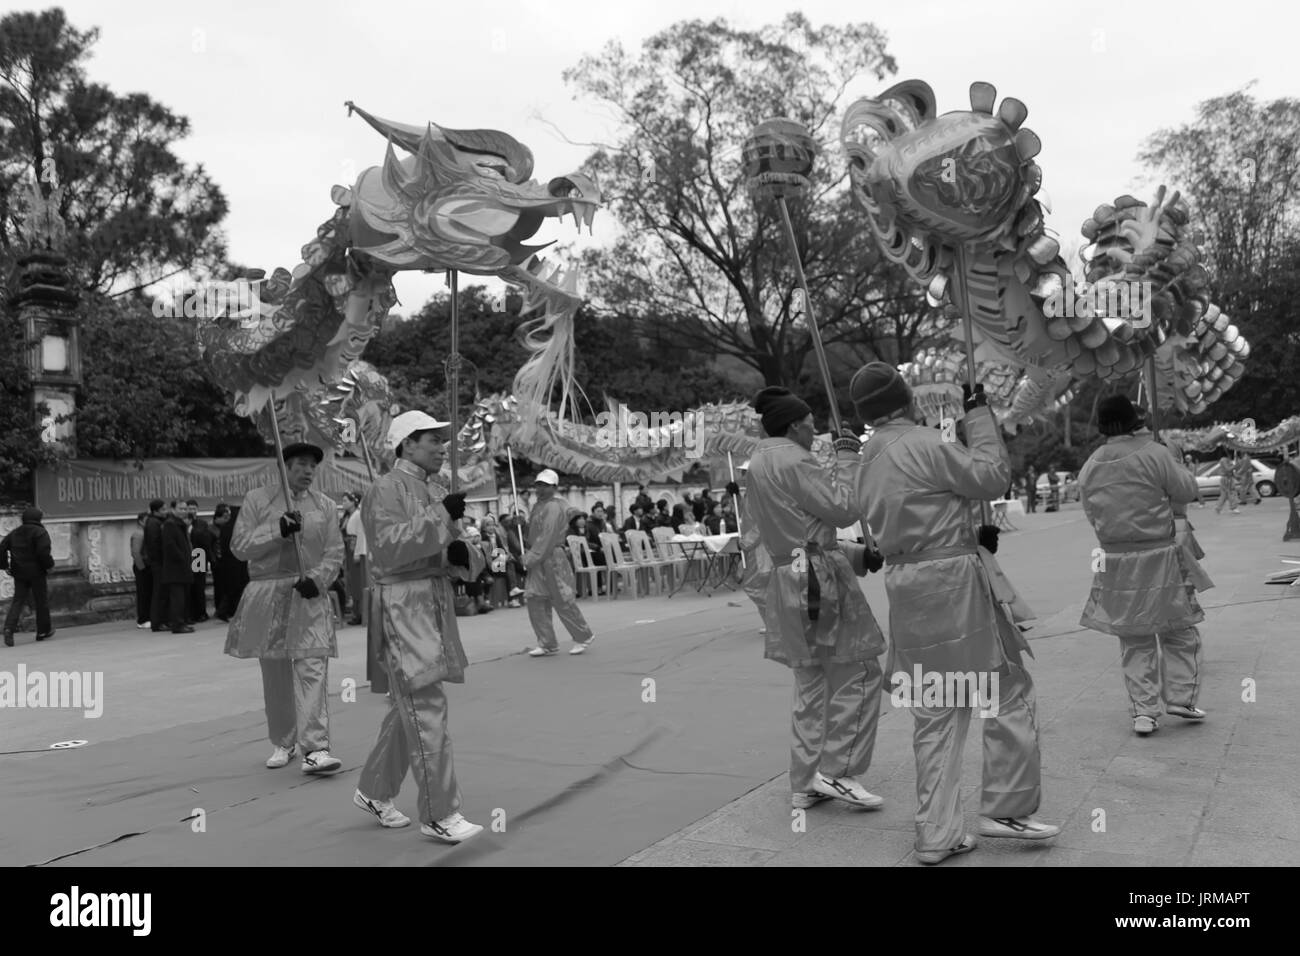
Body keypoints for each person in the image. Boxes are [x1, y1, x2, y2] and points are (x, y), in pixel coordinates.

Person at [851, 362, 1059, 864]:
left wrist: (967, 532)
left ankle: (937, 833)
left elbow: (890, 522)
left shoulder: (865, 460)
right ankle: (1006, 804)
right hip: (953, 586)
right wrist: (980, 417)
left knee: (936, 710)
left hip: (907, 590)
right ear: (906, 402)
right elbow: (989, 477)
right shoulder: (923, 442)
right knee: (1005, 690)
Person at [745, 385, 888, 815]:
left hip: (788, 579)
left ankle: (805, 780)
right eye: (809, 423)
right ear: (793, 424)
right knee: (860, 671)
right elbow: (844, 508)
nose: (814, 431)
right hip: (819, 582)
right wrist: (848, 459)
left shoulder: (758, 463)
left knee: (811, 684)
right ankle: (838, 771)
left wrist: (857, 554)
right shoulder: (795, 458)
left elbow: (799, 532)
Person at [355, 410, 483, 843]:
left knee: (407, 707)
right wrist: (441, 519)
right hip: (402, 607)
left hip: (432, 606)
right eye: (434, 440)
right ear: (408, 443)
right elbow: (389, 550)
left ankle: (374, 789)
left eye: (443, 441)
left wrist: (464, 557)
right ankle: (439, 812)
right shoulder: (382, 489)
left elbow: (456, 549)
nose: (443, 448)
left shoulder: (435, 493)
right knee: (426, 707)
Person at [1078, 395, 1214, 736]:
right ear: (1134, 421)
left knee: (1134, 637)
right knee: (1178, 629)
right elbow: (1186, 489)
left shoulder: (1090, 466)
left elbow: (1091, 514)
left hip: (1115, 560)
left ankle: (1144, 712)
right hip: (1159, 557)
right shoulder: (1154, 453)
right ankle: (1181, 696)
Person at [226, 443, 345, 775]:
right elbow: (239, 547)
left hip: (308, 595)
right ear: (284, 466)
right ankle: (284, 740)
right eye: (301, 465)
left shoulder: (325, 506)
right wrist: (276, 531)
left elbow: (335, 551)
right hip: (269, 594)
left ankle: (316, 748)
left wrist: (319, 579)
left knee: (312, 669)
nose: (308, 471)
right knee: (275, 674)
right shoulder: (257, 500)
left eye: (312, 466)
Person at [524, 469, 595, 657]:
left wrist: (530, 558)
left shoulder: (554, 507)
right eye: (538, 484)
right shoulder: (538, 506)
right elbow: (534, 534)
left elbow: (547, 536)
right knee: (535, 599)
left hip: (551, 558)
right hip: (539, 558)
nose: (540, 488)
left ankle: (583, 635)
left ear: (554, 487)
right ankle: (547, 642)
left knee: (561, 599)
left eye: (545, 485)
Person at [1, 507, 55, 646]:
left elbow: (2, 547)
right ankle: (43, 631)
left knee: (18, 600)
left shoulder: (15, 533)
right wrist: (49, 565)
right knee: (41, 600)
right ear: (38, 518)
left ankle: (9, 628)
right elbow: (43, 552)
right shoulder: (40, 532)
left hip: (19, 572)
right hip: (37, 572)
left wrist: (5, 565)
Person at [161, 501, 196, 634]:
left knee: (182, 597)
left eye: (185, 508)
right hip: (176, 568)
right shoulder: (170, 524)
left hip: (183, 566)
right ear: (173, 509)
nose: (184, 511)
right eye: (181, 508)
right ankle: (177, 624)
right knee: (177, 598)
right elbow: (170, 546)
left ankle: (181, 621)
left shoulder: (180, 524)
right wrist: (182, 559)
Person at [213, 504, 249, 622]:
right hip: (238, 562)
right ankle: (227, 611)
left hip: (227, 562)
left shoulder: (225, 527)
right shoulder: (238, 528)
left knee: (231, 589)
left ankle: (225, 611)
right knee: (238, 588)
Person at [188, 500, 216, 623]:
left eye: (194, 508)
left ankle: (201, 612)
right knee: (190, 587)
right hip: (188, 558)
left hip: (199, 557)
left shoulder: (202, 523)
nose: (192, 511)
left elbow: (206, 542)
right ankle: (191, 613)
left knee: (199, 586)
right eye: (190, 508)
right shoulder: (183, 523)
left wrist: (210, 559)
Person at [143, 498, 169, 632]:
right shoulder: (153, 523)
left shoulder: (158, 521)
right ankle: (158, 622)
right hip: (158, 563)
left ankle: (162, 620)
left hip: (160, 562)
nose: (166, 512)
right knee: (159, 593)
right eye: (163, 509)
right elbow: (154, 545)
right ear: (156, 511)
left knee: (162, 592)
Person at [130, 512, 152, 629]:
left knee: (148, 593)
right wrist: (142, 568)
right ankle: (143, 619)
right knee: (143, 593)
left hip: (147, 566)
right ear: (140, 521)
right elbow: (136, 553)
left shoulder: (146, 533)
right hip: (142, 567)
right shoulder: (139, 534)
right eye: (147, 520)